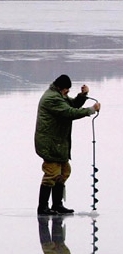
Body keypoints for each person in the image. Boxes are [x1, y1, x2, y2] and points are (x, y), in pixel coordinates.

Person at [34, 74, 100, 215]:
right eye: (66, 89)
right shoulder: (52, 98)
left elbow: (72, 104)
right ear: (59, 87)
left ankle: (57, 204)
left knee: (64, 172)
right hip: (50, 143)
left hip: (58, 143)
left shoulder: (58, 95)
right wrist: (91, 110)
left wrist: (83, 95)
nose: (68, 92)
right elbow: (69, 112)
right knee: (51, 174)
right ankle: (43, 208)